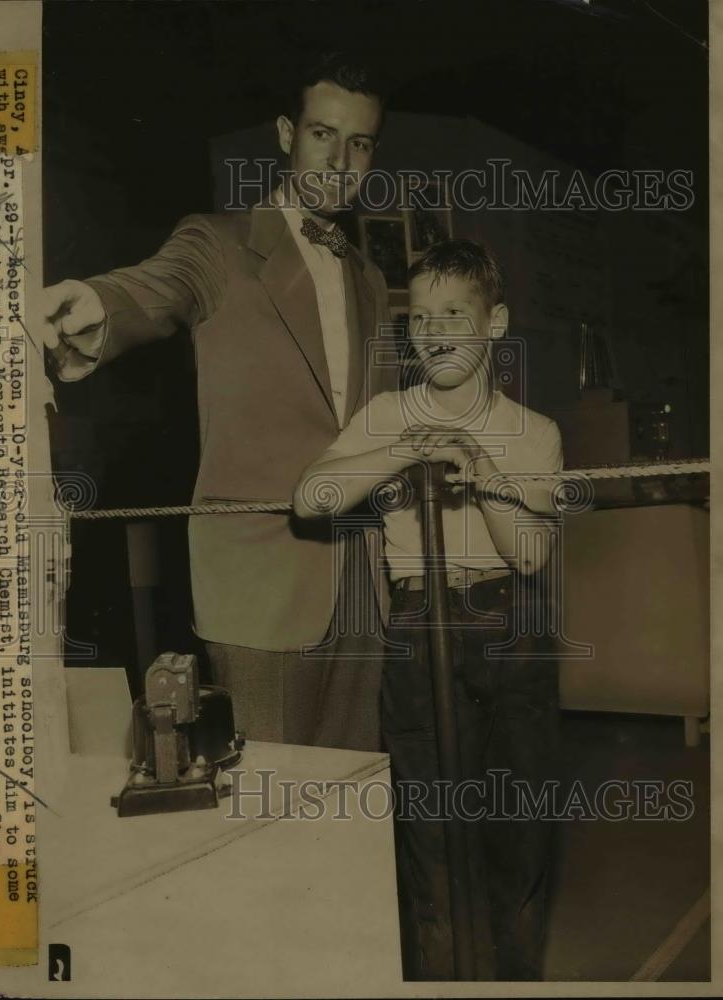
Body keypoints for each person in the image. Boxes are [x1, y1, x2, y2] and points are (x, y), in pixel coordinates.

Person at [42, 51, 398, 750]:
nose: (340, 159)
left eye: (359, 143)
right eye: (323, 133)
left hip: (360, 586)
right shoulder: (219, 243)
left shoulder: (371, 278)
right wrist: (93, 304)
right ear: (285, 134)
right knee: (269, 820)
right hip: (260, 588)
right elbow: (154, 288)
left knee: (352, 816)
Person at [293, 238, 564, 980]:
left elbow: (532, 555)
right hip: (417, 629)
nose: (437, 331)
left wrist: (481, 471)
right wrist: (409, 446)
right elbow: (309, 497)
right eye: (422, 317)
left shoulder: (535, 431)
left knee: (520, 839)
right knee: (432, 840)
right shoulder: (386, 413)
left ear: (495, 323)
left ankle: (514, 982)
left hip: (510, 633)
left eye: (456, 313)